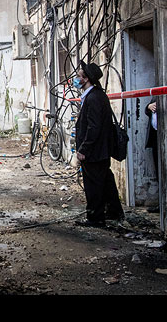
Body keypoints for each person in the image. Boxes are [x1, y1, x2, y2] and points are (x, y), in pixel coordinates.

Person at [74, 61, 125, 227]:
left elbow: (93, 127)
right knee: (106, 180)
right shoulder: (96, 95)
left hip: (95, 151)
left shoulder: (94, 97)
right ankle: (114, 212)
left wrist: (83, 149)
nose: (76, 79)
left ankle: (96, 218)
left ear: (86, 79)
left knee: (93, 185)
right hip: (100, 150)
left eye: (79, 76)